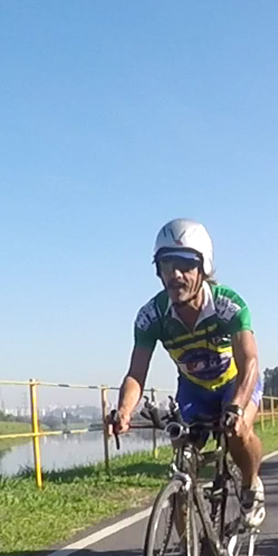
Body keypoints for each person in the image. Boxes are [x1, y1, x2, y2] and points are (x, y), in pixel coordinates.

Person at [109, 218, 266, 528]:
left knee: (238, 432)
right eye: (167, 265)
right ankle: (187, 551)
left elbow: (249, 361)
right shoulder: (151, 316)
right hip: (194, 389)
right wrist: (124, 410)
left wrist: (236, 407)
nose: (175, 274)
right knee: (182, 464)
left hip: (235, 383)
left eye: (185, 265)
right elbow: (136, 374)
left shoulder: (228, 305)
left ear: (203, 267)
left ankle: (251, 484)